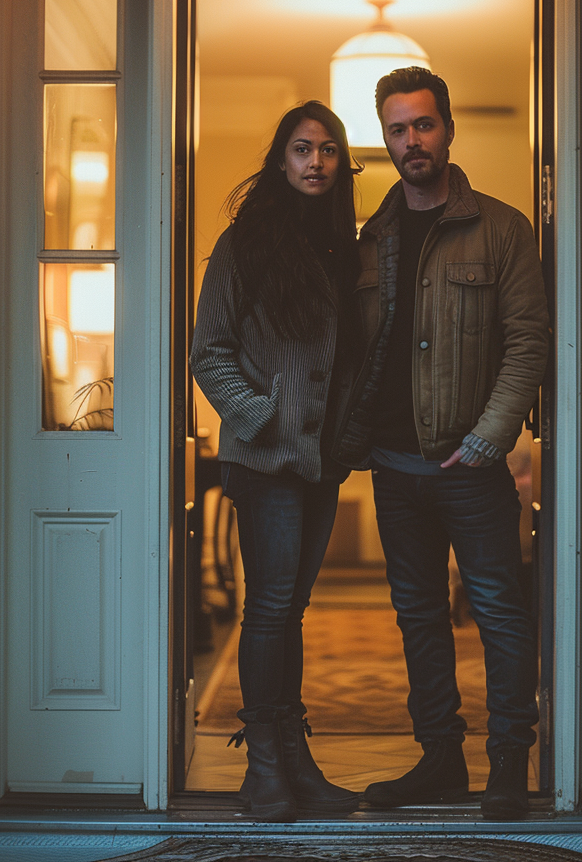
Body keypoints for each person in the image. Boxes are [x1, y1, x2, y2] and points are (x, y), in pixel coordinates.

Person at [334, 67, 550, 820]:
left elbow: (528, 344)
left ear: (447, 129)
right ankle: (440, 761)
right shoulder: (371, 238)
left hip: (472, 463)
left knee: (497, 609)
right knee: (418, 616)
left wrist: (491, 440)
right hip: (393, 468)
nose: (411, 141)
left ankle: (509, 764)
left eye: (423, 125)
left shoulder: (503, 228)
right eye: (397, 129)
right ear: (385, 138)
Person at [190, 101, 362, 822]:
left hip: (323, 461)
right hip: (265, 463)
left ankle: (292, 759)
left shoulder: (346, 247)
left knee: (289, 610)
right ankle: (263, 770)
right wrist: (263, 416)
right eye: (301, 149)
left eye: (326, 150)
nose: (314, 162)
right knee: (268, 608)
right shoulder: (244, 245)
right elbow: (209, 353)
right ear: (280, 159)